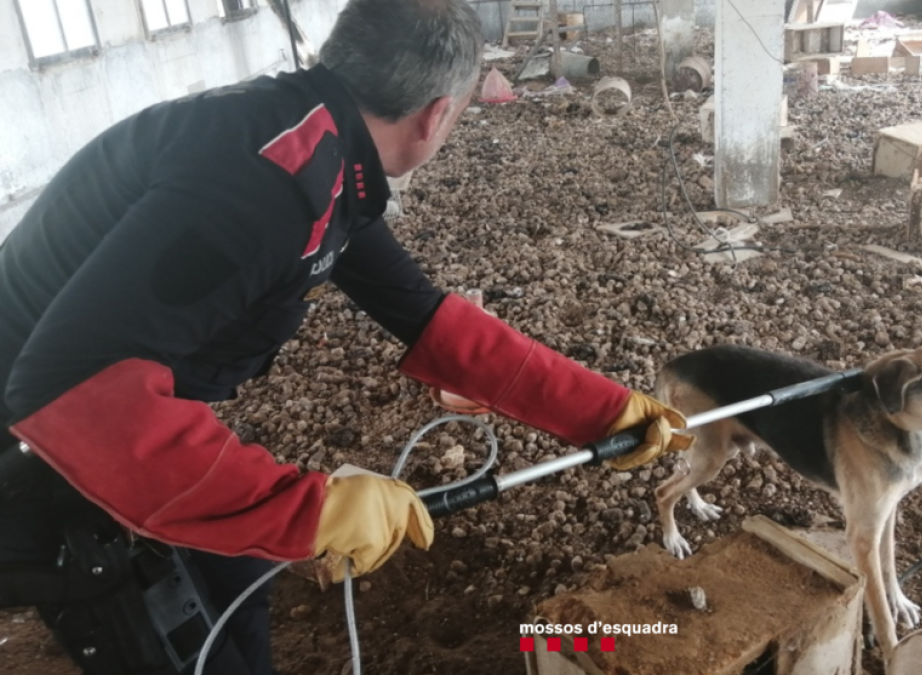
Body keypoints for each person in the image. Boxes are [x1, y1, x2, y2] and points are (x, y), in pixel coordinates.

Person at [0, 0, 692, 673]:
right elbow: (67, 388)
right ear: (435, 116)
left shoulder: (320, 149)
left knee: (238, 565)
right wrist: (309, 509)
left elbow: (426, 314)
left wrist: (604, 409)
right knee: (162, 620)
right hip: (40, 433)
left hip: (97, 393)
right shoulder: (263, 185)